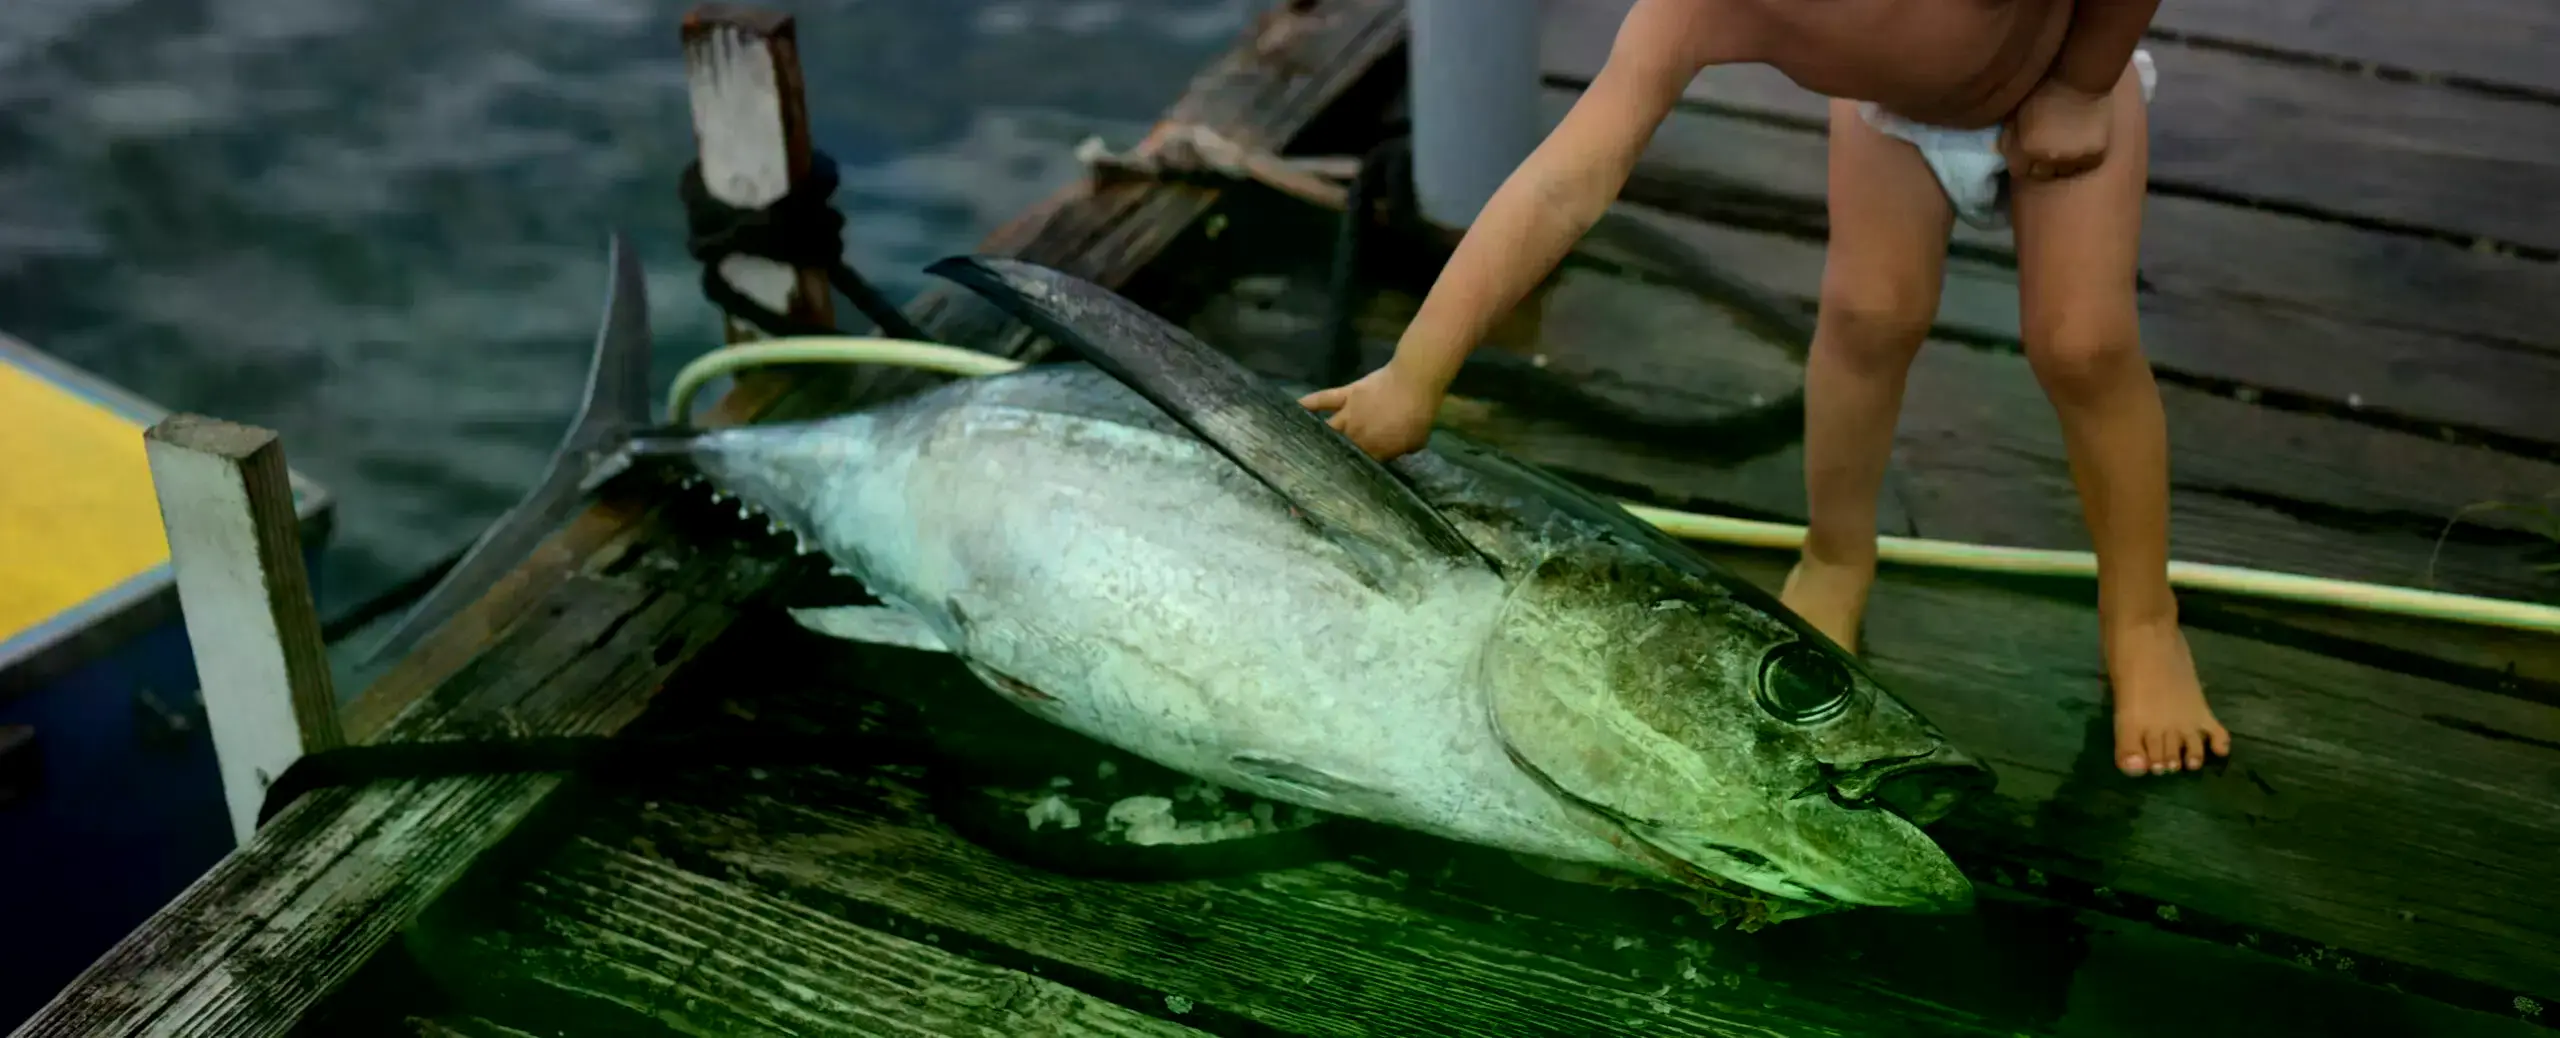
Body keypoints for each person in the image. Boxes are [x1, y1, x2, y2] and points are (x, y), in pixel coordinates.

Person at [1295, 0, 2230, 778]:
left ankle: (2143, 617)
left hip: (2066, 76)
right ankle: (1834, 556)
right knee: (1868, 319)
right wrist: (1416, 373)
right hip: (1894, 119)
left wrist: (2079, 81)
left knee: (2082, 345)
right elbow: (1561, 184)